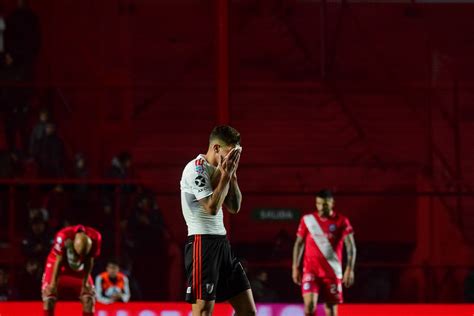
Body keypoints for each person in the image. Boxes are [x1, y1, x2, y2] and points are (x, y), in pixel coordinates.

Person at [180, 125, 256, 316]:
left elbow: (235, 207)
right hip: (201, 243)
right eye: (231, 153)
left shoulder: (223, 169)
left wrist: (233, 177)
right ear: (216, 148)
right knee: (204, 311)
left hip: (222, 244)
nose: (233, 158)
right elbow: (212, 208)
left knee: (248, 312)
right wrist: (225, 175)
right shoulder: (196, 169)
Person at [292, 189, 357, 316]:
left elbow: (351, 246)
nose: (321, 207)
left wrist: (350, 268)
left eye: (325, 204)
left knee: (331, 311)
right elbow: (298, 244)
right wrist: (295, 266)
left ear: (332, 203)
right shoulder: (307, 220)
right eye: (319, 204)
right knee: (309, 307)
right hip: (311, 270)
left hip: (332, 271)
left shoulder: (342, 221)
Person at [41, 224, 102, 316]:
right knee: (49, 297)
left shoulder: (96, 237)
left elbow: (89, 260)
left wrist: (85, 283)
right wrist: (53, 284)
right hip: (57, 263)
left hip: (81, 266)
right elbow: (59, 261)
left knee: (89, 298)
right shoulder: (63, 236)